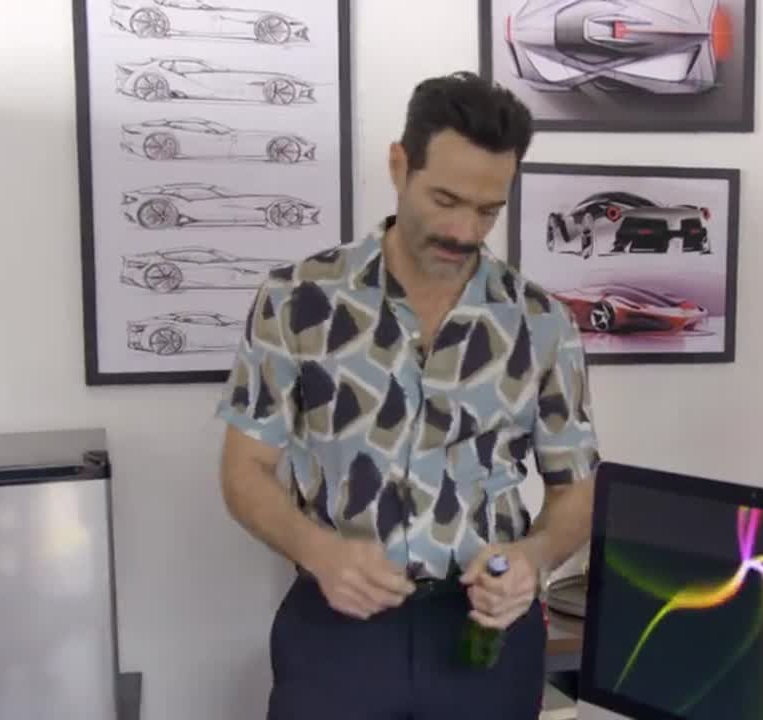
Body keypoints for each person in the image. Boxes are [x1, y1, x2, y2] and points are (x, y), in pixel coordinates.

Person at [214, 72, 601, 719]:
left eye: (487, 210)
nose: (464, 231)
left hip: (486, 635)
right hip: (336, 631)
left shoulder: (542, 322)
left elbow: (577, 489)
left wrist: (532, 558)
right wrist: (318, 551)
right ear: (400, 166)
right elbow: (243, 471)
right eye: (445, 200)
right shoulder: (298, 301)